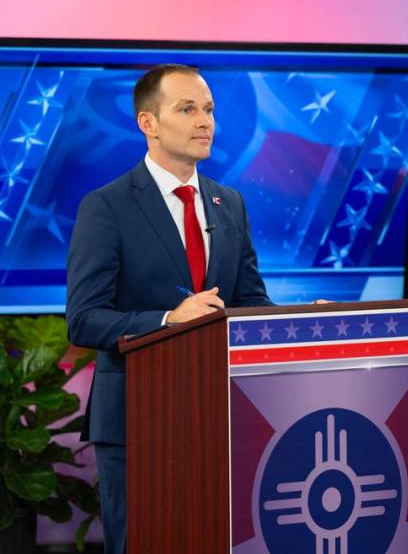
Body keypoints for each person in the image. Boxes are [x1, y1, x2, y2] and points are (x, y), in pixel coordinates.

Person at [66, 64, 274, 554]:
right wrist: (167, 320)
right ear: (148, 123)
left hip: (217, 415)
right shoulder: (107, 206)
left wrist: (299, 321)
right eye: (187, 109)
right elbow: (84, 318)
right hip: (139, 416)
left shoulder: (231, 203)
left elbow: (249, 300)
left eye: (208, 110)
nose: (205, 121)